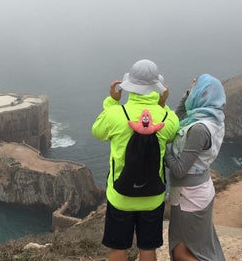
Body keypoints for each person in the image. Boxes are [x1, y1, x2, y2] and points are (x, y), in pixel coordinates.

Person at [92, 59, 180, 261]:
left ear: (129, 85)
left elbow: (97, 131)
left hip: (120, 195)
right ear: (157, 87)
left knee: (118, 248)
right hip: (153, 197)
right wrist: (161, 105)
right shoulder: (168, 117)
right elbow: (172, 135)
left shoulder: (115, 114)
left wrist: (112, 101)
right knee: (148, 249)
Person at [164, 74, 226, 261]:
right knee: (196, 246)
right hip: (192, 190)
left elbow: (180, 170)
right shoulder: (212, 118)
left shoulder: (199, 129)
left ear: (201, 95)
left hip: (189, 195)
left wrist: (161, 147)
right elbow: (176, 119)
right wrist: (187, 94)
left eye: (195, 91)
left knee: (181, 251)